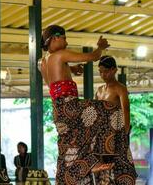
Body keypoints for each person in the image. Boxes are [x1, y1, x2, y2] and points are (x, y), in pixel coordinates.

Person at [39, 25, 137, 184]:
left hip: (59, 112)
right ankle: (105, 155)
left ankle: (75, 171)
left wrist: (72, 69)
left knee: (69, 146)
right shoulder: (60, 54)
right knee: (111, 110)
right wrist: (100, 47)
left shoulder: (43, 62)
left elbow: (54, 77)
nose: (67, 42)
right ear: (55, 38)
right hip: (71, 107)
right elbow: (92, 56)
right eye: (64, 38)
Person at [95, 55, 137, 182]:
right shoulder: (99, 90)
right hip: (101, 135)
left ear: (114, 70)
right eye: (100, 72)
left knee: (121, 166)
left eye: (106, 71)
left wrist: (125, 133)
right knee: (103, 169)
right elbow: (96, 114)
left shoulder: (120, 88)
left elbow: (126, 111)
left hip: (117, 134)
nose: (103, 75)